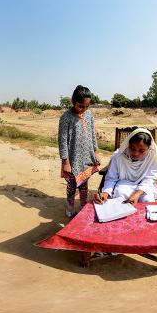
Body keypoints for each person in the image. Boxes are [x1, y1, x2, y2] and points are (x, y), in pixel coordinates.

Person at [95, 128, 157, 205]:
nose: (136, 153)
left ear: (148, 148)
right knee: (120, 196)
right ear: (128, 145)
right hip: (124, 183)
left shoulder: (153, 157)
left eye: (141, 151)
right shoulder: (118, 156)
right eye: (132, 148)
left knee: (147, 199)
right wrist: (106, 192)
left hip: (145, 186)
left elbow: (149, 179)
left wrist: (137, 193)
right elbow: (111, 178)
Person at [58, 85, 101, 218]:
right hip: (73, 159)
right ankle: (70, 208)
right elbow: (62, 141)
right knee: (72, 186)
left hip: (87, 157)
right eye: (80, 106)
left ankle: (83, 206)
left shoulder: (89, 115)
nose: (83, 109)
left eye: (87, 106)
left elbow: (92, 134)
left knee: (84, 185)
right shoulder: (66, 118)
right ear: (73, 101)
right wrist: (65, 161)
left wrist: (96, 151)